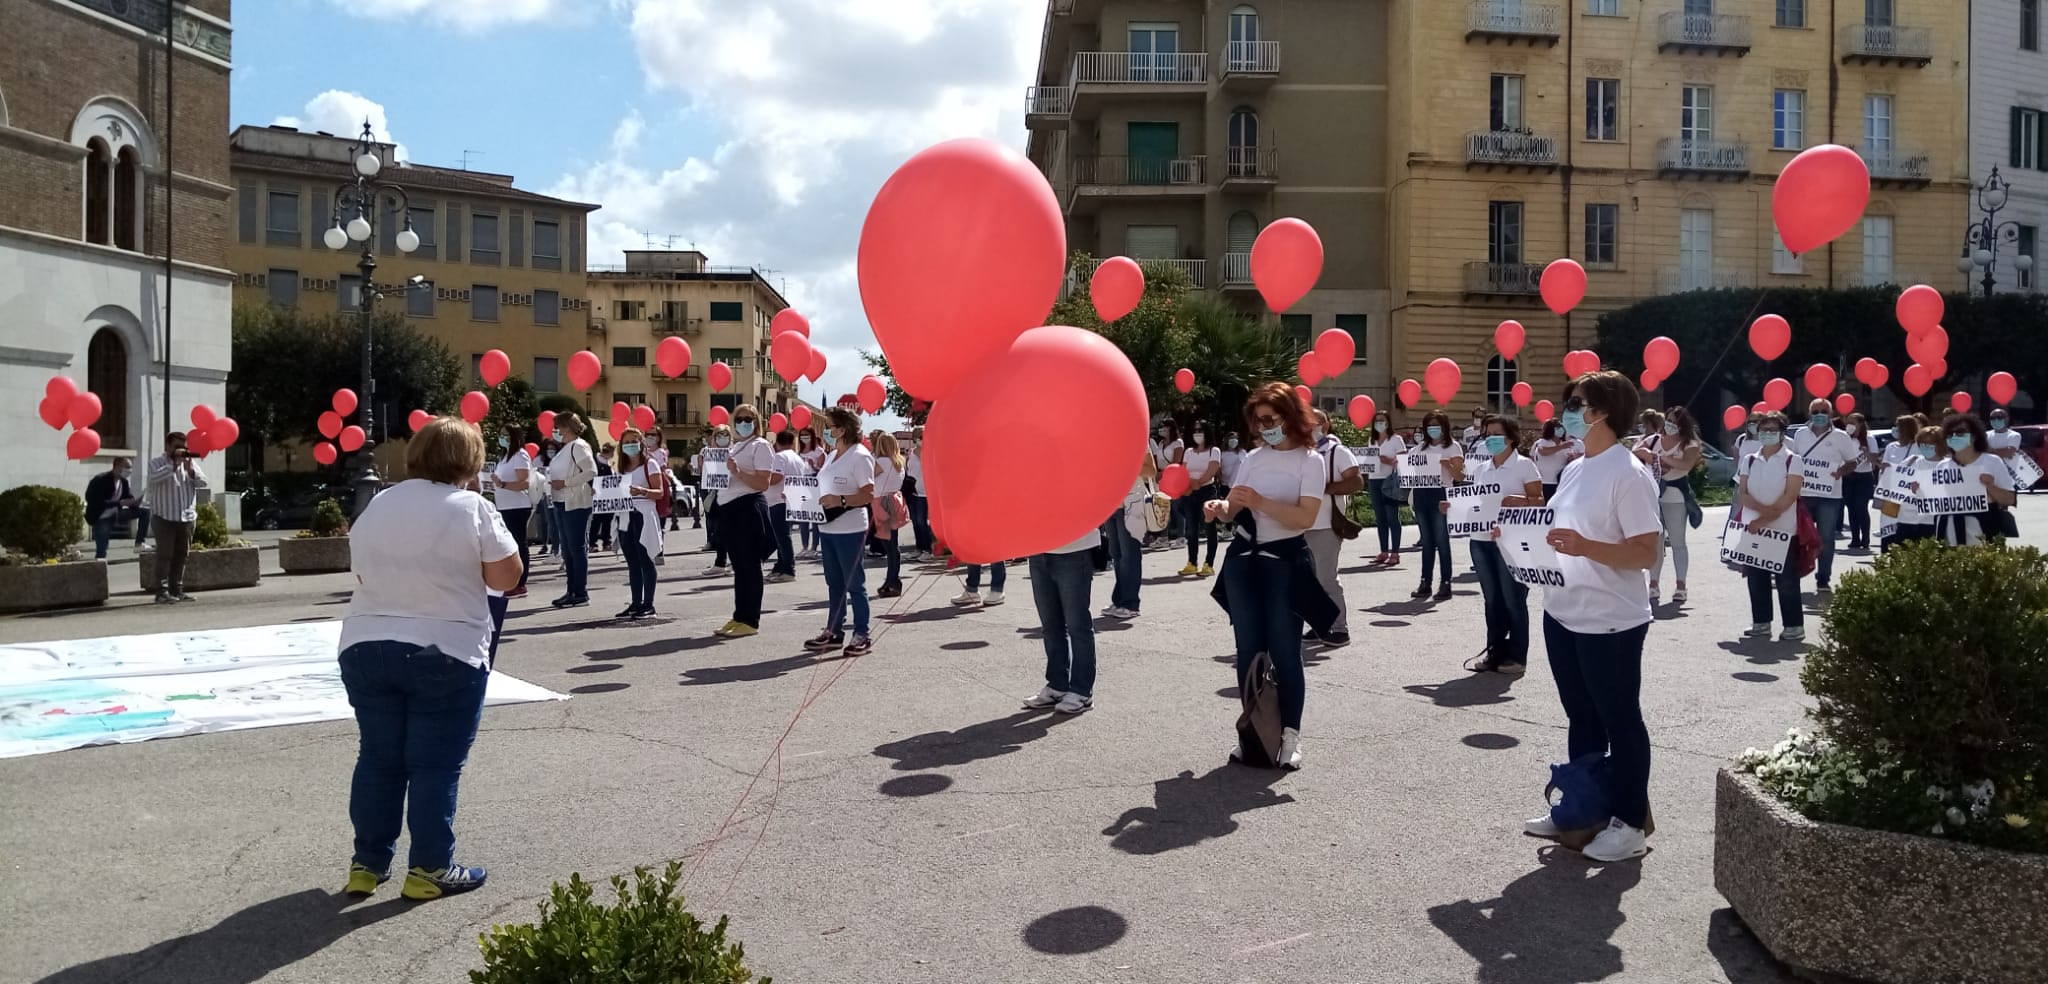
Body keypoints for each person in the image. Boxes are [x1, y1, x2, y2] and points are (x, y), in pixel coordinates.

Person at [338, 416, 521, 901]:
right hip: (446, 650)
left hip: (367, 643)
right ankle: (430, 867)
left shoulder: (378, 504)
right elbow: (506, 577)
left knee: (378, 759)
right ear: (470, 462)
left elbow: (358, 569)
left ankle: (367, 863)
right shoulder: (472, 507)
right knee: (435, 764)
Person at [1522, 370, 1662, 863]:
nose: (1568, 410)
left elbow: (1646, 551)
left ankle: (1628, 822)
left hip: (1611, 621)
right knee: (1582, 717)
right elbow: (1559, 530)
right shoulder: (1579, 466)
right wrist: (1519, 536)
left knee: (1620, 721)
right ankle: (1582, 807)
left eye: (1577, 402)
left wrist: (1587, 547)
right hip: (1563, 611)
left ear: (1602, 411)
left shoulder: (1628, 472)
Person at [1205, 382, 1328, 770]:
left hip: (1284, 563)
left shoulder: (1311, 460)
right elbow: (1234, 507)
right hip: (1244, 560)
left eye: (1269, 420)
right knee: (1248, 651)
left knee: (1285, 651)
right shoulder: (1254, 457)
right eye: (1257, 422)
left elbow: (1304, 517)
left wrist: (1260, 503)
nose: (1262, 428)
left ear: (1290, 417)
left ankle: (1290, 735)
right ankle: (1254, 732)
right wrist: (1220, 507)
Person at [1463, 414, 1543, 673]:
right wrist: (1452, 507)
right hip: (1481, 541)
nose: (1490, 439)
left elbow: (1540, 501)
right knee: (1492, 601)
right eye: (1487, 434)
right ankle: (1494, 652)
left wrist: (1522, 501)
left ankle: (1517, 656)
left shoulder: (1525, 466)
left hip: (1512, 542)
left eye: (1496, 434)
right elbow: (1473, 503)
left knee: (1513, 599)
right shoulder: (1481, 469)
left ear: (1510, 438)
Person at [807, 407, 876, 655]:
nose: (825, 430)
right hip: (828, 528)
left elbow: (868, 493)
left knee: (854, 583)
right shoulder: (833, 454)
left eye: (829, 426)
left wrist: (842, 501)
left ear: (842, 429)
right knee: (834, 583)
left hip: (851, 528)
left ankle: (862, 633)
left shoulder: (859, 456)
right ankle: (834, 630)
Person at [1736, 412, 1806, 642]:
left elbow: (1790, 496)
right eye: (1762, 429)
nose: (1766, 434)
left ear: (1782, 433)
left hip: (1784, 530)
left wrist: (1764, 518)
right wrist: (1758, 516)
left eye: (1772, 430)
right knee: (1756, 578)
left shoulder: (1792, 460)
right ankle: (1761, 622)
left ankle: (1794, 626)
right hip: (1754, 529)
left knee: (1786, 580)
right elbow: (1743, 493)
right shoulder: (1749, 460)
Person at [713, 405, 779, 638]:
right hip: (731, 508)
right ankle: (740, 615)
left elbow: (763, 482)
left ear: (756, 421)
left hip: (748, 507)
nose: (742, 422)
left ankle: (750, 619)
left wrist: (738, 471)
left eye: (747, 419)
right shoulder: (736, 446)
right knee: (739, 566)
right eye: (738, 418)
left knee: (749, 566)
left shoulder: (760, 445)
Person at [1024, 523, 1102, 716]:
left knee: (1077, 625)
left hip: (1074, 548)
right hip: (1038, 548)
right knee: (1050, 625)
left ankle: (1082, 691)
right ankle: (1057, 685)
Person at [1305, 409, 1362, 645]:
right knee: (1310, 580)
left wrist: (1323, 488)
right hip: (1301, 524)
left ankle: (1340, 629)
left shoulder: (1337, 451)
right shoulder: (1303, 453)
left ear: (1324, 425)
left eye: (1312, 423)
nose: (1308, 426)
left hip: (1326, 525)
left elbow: (1356, 481)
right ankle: (1321, 624)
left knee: (1326, 579)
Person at [1793, 399, 1857, 593]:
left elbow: (1852, 462)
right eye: (1815, 411)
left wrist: (1841, 472)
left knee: (1826, 538)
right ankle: (1793, 573)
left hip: (1830, 496)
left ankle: (1823, 578)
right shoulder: (1800, 434)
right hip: (1803, 494)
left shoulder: (1841, 437)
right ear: (1809, 413)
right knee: (1798, 537)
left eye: (1823, 411)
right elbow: (1794, 461)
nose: (1819, 414)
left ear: (1831, 413)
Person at [1937, 414, 2019, 547]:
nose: (1954, 437)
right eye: (1950, 434)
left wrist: (1990, 486)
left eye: (1960, 433)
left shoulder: (1992, 461)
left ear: (1974, 436)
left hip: (1985, 524)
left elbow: (2009, 499)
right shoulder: (1942, 466)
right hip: (1951, 528)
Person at [144, 431, 207, 604]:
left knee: (181, 555)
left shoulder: (190, 463)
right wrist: (173, 464)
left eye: (183, 446)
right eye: (176, 446)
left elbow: (203, 482)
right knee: (165, 555)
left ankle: (176, 589)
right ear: (167, 446)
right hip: (164, 517)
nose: (181, 450)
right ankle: (161, 592)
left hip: (186, 517)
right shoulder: (156, 463)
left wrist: (191, 471)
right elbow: (154, 478)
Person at [1649, 407, 1703, 605]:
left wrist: (1659, 458)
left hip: (1676, 498)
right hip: (1653, 496)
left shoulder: (1689, 443)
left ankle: (1681, 585)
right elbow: (1636, 453)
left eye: (1675, 422)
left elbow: (1685, 465)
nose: (1670, 425)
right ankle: (1653, 584)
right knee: (1656, 541)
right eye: (1668, 420)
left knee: (1678, 542)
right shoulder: (1654, 440)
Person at [612, 428, 669, 619]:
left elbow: (659, 492)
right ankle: (636, 602)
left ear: (641, 443)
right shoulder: (620, 469)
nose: (630, 445)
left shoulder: (650, 464)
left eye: (633, 441)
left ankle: (648, 604)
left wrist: (641, 491)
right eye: (626, 441)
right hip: (625, 516)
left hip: (643, 515)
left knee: (646, 560)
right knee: (632, 562)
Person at [545, 416, 598, 608]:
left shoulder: (578, 446)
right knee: (568, 550)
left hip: (575, 503)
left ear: (567, 427)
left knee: (576, 548)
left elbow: (591, 471)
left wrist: (566, 483)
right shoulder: (565, 449)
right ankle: (572, 590)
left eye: (557, 427)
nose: (555, 431)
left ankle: (580, 592)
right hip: (561, 502)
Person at [1408, 409, 1459, 601]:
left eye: (1437, 426)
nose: (1433, 429)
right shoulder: (1419, 448)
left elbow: (1460, 476)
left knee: (1442, 540)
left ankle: (1445, 582)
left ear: (1444, 427)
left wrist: (1449, 466)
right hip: (1421, 493)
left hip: (1441, 493)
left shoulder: (1452, 447)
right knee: (1427, 542)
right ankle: (1425, 582)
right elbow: (1408, 470)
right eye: (1429, 426)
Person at [1101, 448, 1154, 620]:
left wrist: (1126, 466)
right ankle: (1119, 600)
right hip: (1110, 504)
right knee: (1116, 554)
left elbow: (1151, 470)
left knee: (1129, 554)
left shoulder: (1138, 438)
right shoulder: (1105, 442)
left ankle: (1131, 603)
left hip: (1131, 504)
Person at [1883, 419, 1940, 552]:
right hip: (1906, 520)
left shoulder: (1947, 464)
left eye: (1930, 443)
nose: (1926, 446)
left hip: (1931, 522)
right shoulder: (1911, 461)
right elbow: (1895, 484)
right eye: (1922, 443)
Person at [491, 427, 534, 599]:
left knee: (518, 543)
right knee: (510, 543)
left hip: (517, 506)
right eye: (500, 434)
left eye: (506, 435)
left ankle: (520, 583)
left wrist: (502, 485)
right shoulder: (504, 457)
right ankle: (512, 581)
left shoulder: (519, 455)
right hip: (505, 506)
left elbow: (524, 483)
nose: (502, 438)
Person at [1179, 424, 1223, 577]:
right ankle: (1192, 562)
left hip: (1206, 491)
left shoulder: (1214, 451)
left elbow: (1211, 471)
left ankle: (1209, 563)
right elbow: (1183, 471)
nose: (1197, 434)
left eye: (1200, 431)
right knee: (1191, 529)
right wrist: (1189, 486)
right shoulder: (1189, 452)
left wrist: (1197, 483)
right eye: (1195, 430)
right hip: (1189, 491)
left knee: (1209, 526)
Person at [871, 432, 909, 597]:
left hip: (882, 502)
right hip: (894, 499)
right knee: (892, 543)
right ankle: (891, 579)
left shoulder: (881, 462)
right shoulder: (899, 462)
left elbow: (867, 477)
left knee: (889, 545)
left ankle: (893, 580)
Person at [766, 430, 805, 584]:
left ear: (778, 442)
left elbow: (777, 477)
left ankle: (788, 568)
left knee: (782, 537)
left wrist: (762, 479)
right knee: (783, 535)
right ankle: (781, 566)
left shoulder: (780, 457)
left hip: (779, 500)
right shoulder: (798, 459)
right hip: (792, 500)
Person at [1370, 411, 1407, 567]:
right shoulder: (1371, 439)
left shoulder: (1396, 440)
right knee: (1380, 517)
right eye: (1377, 421)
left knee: (1391, 516)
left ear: (1388, 422)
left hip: (1390, 481)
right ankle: (1383, 550)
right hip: (1374, 480)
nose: (1379, 423)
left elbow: (1404, 460)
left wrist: (1390, 461)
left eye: (1382, 421)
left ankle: (1395, 552)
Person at [84, 457, 138, 561]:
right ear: (117, 466)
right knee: (102, 547)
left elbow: (127, 496)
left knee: (144, 512)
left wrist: (134, 502)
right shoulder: (100, 480)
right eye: (127, 467)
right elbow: (95, 501)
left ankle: (140, 542)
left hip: (116, 513)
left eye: (131, 467)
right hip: (101, 516)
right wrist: (119, 503)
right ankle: (99, 565)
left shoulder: (124, 482)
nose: (129, 470)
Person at [1841, 412, 1881, 551]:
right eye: (1848, 422)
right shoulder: (1845, 438)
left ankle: (1865, 538)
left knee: (1860, 508)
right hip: (1848, 477)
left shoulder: (1869, 439)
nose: (1850, 425)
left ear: (1860, 424)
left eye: (1853, 422)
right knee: (1851, 509)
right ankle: (1855, 538)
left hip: (1864, 477)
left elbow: (1874, 462)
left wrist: (1866, 452)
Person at [1532, 417, 1582, 504]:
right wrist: (1561, 447)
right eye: (1557, 428)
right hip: (1545, 483)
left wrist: (1572, 459)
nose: (1561, 430)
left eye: (1561, 427)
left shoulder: (1565, 444)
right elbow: (1543, 451)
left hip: (1560, 483)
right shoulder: (1543, 442)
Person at [1154, 421, 1186, 544]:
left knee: (1177, 507)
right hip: (1162, 478)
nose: (1162, 429)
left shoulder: (1178, 443)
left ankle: (1181, 536)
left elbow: (1176, 461)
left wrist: (1163, 473)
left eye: (1164, 427)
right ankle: (1163, 536)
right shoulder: (1161, 443)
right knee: (1163, 507)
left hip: (1174, 476)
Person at [797, 427, 826, 558]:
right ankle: (804, 546)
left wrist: (813, 465)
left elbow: (823, 471)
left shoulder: (819, 452)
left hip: (814, 484)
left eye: (806, 435)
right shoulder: (800, 451)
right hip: (801, 484)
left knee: (814, 517)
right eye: (802, 435)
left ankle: (814, 546)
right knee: (803, 517)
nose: (804, 437)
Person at [904, 426, 932, 561]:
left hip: (924, 492)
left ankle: (927, 549)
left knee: (922, 521)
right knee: (915, 521)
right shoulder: (911, 453)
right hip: (913, 491)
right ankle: (919, 548)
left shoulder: (928, 452)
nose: (922, 440)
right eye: (920, 437)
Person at [590, 443, 617, 554]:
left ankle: (606, 541)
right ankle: (592, 543)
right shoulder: (595, 462)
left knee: (607, 520)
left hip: (608, 497)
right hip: (598, 497)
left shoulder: (609, 464)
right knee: (596, 520)